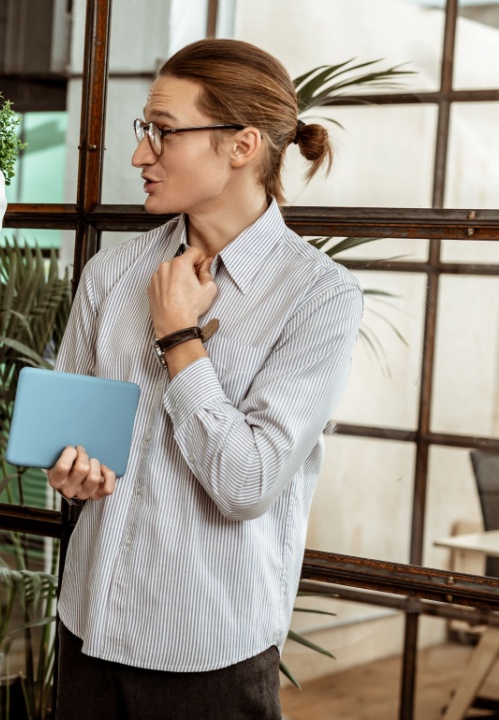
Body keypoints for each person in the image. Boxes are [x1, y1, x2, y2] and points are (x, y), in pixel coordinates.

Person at [46, 39, 363, 719]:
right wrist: (70, 468)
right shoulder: (111, 273)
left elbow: (247, 485)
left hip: (207, 654)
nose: (140, 155)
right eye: (144, 131)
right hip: (87, 629)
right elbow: (70, 435)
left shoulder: (321, 296)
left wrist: (179, 338)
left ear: (242, 144)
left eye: (162, 131)